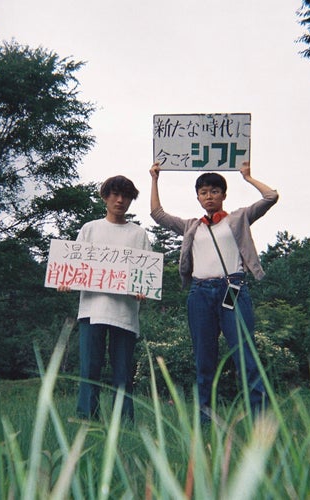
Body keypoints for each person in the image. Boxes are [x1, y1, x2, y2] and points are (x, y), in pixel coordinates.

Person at [149, 161, 278, 420]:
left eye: (215, 191)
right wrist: (155, 178)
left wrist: (248, 177)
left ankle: (261, 419)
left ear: (223, 195)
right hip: (200, 293)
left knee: (245, 355)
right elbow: (157, 214)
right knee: (204, 360)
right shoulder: (190, 227)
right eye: (204, 192)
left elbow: (271, 196)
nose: (209, 196)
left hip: (233, 288)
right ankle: (205, 420)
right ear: (198, 197)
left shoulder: (238, 218)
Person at [59, 175, 151, 422]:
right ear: (105, 197)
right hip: (92, 309)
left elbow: (148, 277)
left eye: (126, 196)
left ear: (131, 200)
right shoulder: (90, 229)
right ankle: (87, 419)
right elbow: (73, 265)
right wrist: (66, 280)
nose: (120, 200)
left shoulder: (139, 234)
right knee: (90, 369)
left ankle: (125, 422)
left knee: (123, 372)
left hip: (125, 313)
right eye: (114, 194)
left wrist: (143, 290)